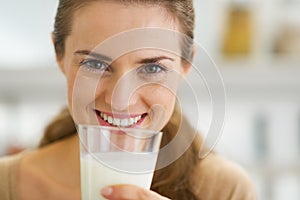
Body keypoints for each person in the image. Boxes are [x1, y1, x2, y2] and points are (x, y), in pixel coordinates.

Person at [0, 0, 257, 199]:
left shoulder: (227, 191)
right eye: (94, 64)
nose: (120, 101)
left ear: (185, 65)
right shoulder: (5, 184)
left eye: (152, 68)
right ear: (60, 55)